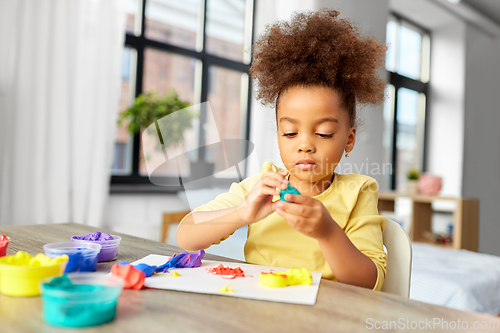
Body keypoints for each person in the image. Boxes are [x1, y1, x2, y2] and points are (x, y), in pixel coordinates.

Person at [176, 9, 387, 290]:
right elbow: (186, 237)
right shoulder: (260, 187)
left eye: (323, 133)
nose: (304, 145)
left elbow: (369, 281)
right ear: (278, 136)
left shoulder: (358, 192)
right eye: (290, 132)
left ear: (349, 140)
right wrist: (242, 213)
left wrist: (328, 233)